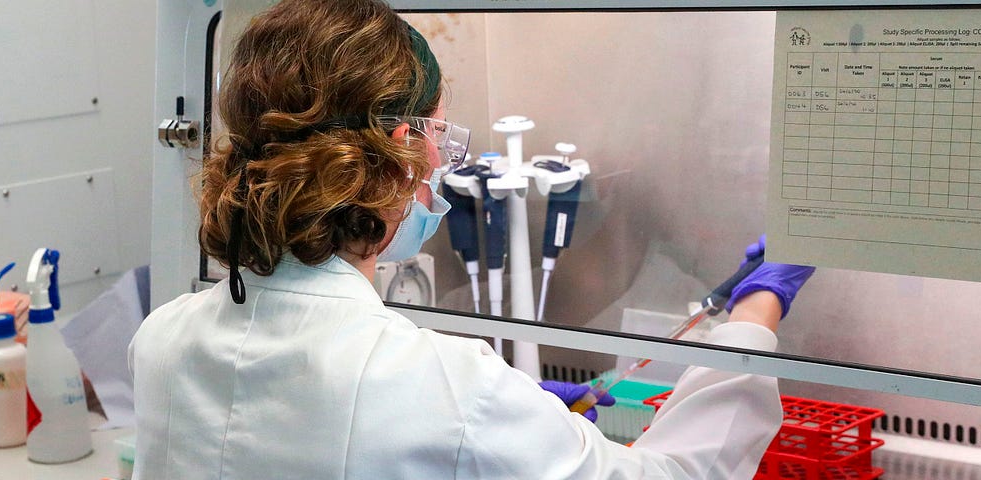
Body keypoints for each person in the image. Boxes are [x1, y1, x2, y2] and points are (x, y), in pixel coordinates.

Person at [129, 1, 815, 478]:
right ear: (401, 151)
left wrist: (517, 426)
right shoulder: (440, 386)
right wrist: (752, 320)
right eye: (441, 136)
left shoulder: (162, 340)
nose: (444, 164)